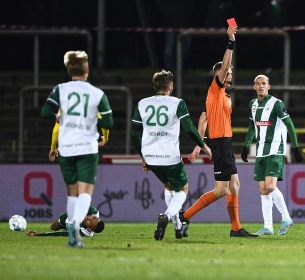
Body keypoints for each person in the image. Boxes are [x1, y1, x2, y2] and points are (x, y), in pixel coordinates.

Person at [184, 26, 257, 238]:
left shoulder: (224, 96)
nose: (230, 75)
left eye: (231, 74)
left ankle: (236, 229)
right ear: (219, 75)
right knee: (221, 190)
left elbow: (204, 118)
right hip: (219, 142)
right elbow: (225, 65)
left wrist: (199, 145)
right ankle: (185, 216)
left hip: (225, 143)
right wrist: (231, 42)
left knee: (234, 184)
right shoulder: (215, 89)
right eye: (227, 73)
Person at [41, 50, 113, 247]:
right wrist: (104, 135)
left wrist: (54, 141)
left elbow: (45, 112)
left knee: (72, 192)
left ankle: (72, 226)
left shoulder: (60, 90)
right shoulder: (97, 94)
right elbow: (108, 120)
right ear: (87, 70)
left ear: (69, 69)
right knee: (84, 194)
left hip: (67, 147)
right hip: (87, 148)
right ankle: (74, 228)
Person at [131, 69, 211, 241]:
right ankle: (167, 216)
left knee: (168, 187)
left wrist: (143, 156)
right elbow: (189, 127)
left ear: (155, 86)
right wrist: (203, 145)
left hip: (151, 157)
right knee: (183, 189)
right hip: (170, 157)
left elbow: (134, 134)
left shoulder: (142, 104)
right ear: (170, 86)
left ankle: (177, 226)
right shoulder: (177, 103)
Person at [241, 75, 303, 236]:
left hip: (276, 150)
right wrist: (246, 146)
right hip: (260, 151)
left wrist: (295, 147)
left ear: (269, 86)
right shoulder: (252, 105)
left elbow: (289, 124)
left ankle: (286, 218)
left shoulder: (276, 104)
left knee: (270, 186)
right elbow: (251, 127)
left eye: (264, 84)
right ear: (254, 87)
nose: (261, 86)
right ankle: (268, 226)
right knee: (263, 190)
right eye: (258, 84)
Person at [27, 205, 105, 237]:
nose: (90, 218)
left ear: (89, 229)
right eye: (93, 218)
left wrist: (39, 234)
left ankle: (66, 227)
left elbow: (61, 234)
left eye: (91, 222)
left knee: (55, 229)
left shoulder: (83, 232)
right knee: (53, 227)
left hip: (67, 222)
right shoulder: (94, 212)